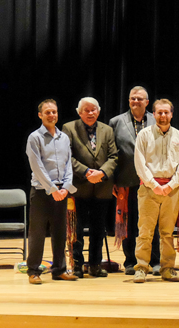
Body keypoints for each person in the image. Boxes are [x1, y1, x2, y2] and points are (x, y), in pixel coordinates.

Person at [132, 99, 179, 283]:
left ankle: (167, 268)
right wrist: (153, 184)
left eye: (166, 112)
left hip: (171, 190)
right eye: (159, 112)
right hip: (149, 189)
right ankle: (141, 268)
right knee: (145, 232)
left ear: (172, 114)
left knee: (167, 233)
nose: (163, 116)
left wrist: (170, 186)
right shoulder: (144, 135)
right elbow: (139, 162)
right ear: (154, 114)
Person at [62, 97, 119, 278]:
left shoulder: (107, 130)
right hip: (79, 187)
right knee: (77, 230)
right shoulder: (69, 128)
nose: (90, 113)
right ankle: (77, 265)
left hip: (102, 188)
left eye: (94, 109)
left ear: (99, 111)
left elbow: (114, 156)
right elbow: (67, 157)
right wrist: (86, 172)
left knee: (98, 229)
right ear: (79, 112)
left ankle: (94, 264)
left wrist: (101, 173)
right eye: (86, 110)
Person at [25, 99, 79, 284]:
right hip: (42, 192)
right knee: (37, 233)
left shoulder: (64, 138)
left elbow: (68, 165)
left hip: (61, 193)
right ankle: (33, 271)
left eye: (54, 112)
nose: (51, 115)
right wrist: (52, 189)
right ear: (40, 115)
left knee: (59, 233)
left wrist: (65, 187)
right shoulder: (34, 137)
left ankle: (59, 269)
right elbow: (37, 166)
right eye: (47, 112)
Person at [109, 86, 160, 276]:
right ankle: (130, 261)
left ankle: (155, 261)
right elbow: (111, 153)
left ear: (147, 102)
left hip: (152, 182)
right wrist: (113, 179)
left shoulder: (157, 120)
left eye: (140, 99)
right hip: (126, 180)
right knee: (129, 224)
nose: (136, 101)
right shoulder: (116, 122)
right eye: (133, 98)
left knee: (151, 223)